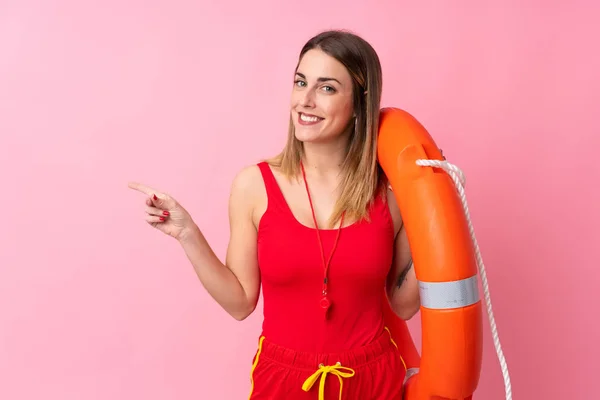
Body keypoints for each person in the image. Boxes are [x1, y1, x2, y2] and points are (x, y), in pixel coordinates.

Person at [129, 29, 419, 400]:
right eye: (301, 83)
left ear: (360, 102)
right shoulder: (254, 185)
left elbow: (404, 304)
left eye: (327, 88)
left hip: (373, 379)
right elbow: (240, 303)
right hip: (284, 381)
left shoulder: (389, 193)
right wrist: (187, 233)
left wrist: (434, 213)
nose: (305, 100)